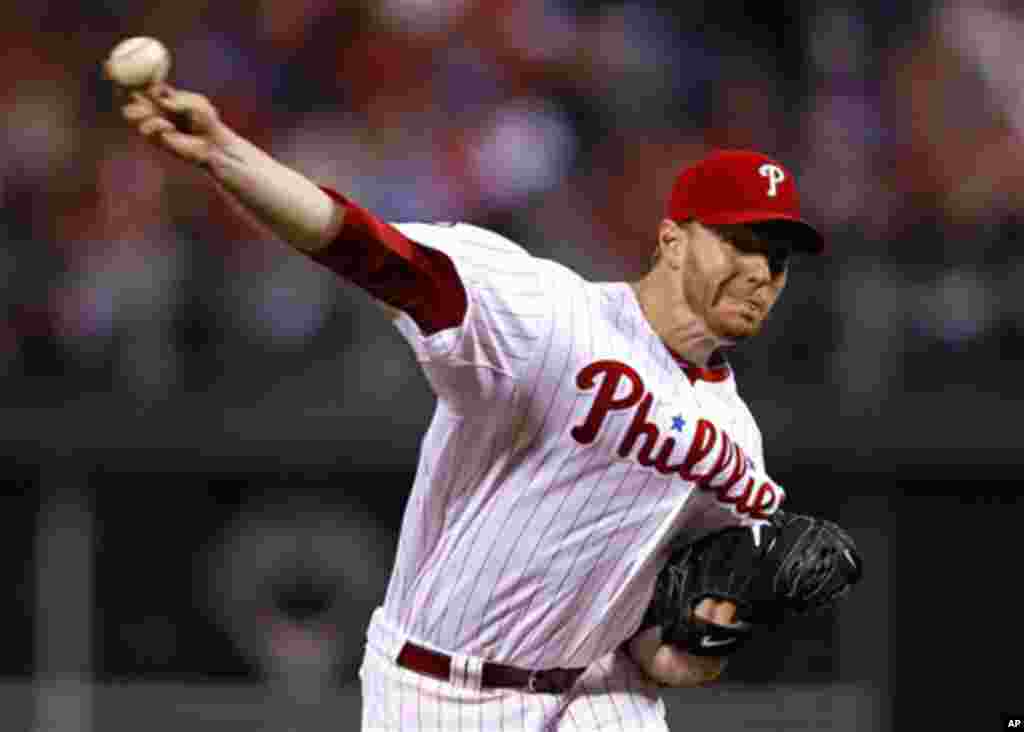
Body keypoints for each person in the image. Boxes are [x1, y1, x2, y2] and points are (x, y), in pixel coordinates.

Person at [114, 81, 825, 731]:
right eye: (738, 241)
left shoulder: (738, 449)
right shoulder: (551, 317)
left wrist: (716, 630)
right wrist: (226, 154)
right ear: (672, 239)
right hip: (442, 692)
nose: (760, 271)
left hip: (599, 695)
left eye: (778, 258)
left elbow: (666, 658)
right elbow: (376, 252)